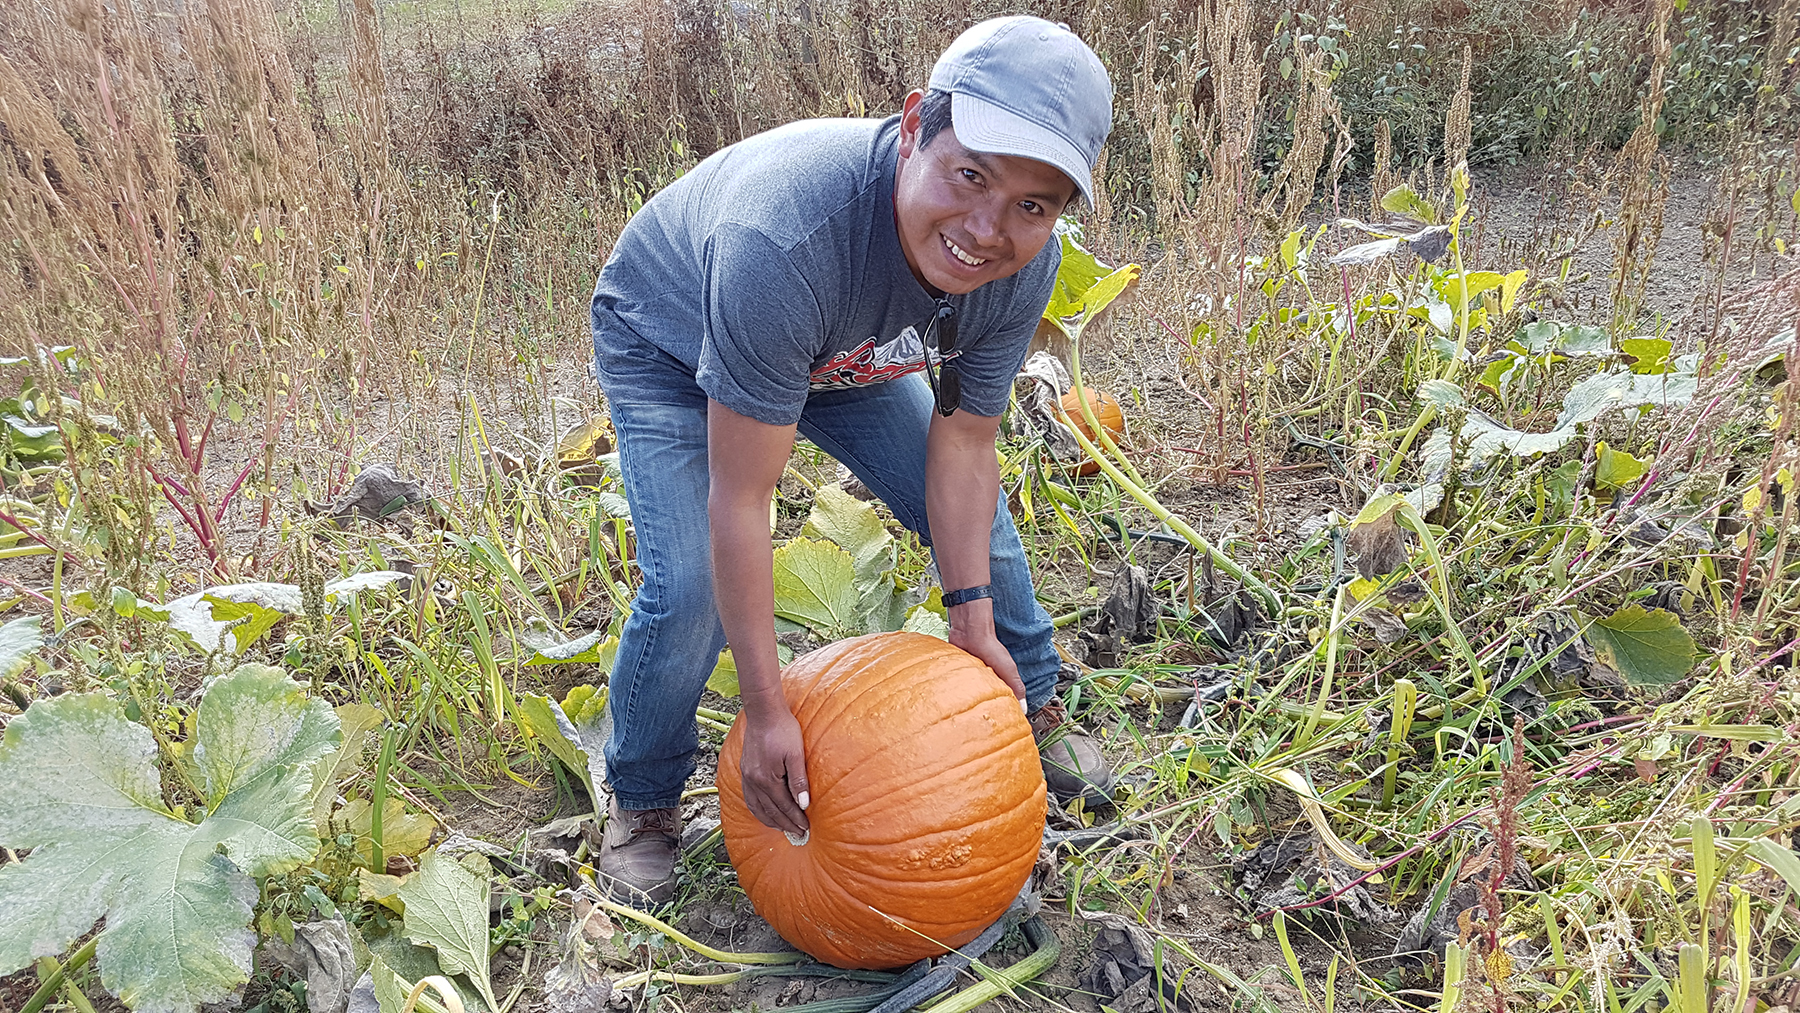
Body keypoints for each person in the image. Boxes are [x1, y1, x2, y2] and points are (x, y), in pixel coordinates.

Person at [587, 15, 1116, 905]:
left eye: (1033, 205)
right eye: (971, 175)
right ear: (912, 128)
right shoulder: (783, 240)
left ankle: (1030, 697)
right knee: (689, 589)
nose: (987, 228)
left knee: (975, 518)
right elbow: (742, 499)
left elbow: (965, 443)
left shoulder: (1023, 268)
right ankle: (642, 798)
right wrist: (765, 710)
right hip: (673, 342)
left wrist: (971, 617)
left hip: (844, 351)